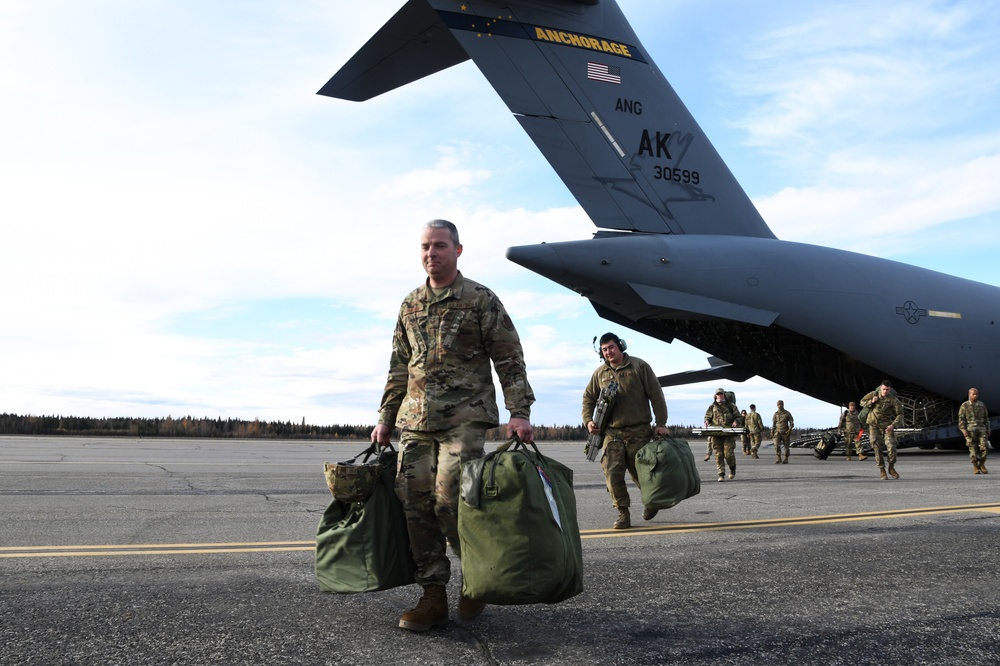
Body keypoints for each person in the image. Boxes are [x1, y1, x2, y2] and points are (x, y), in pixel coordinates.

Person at [371, 219, 535, 632]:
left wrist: (520, 412)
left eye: (440, 246)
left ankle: (478, 578)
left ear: (458, 250)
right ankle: (433, 596)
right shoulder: (410, 304)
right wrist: (386, 418)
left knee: (449, 501)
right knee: (414, 505)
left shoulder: (481, 300)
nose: (432, 253)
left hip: (464, 417)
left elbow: (509, 358)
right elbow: (398, 367)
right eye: (426, 247)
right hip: (416, 421)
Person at [582, 332, 669, 528]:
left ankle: (651, 501)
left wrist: (661, 423)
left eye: (611, 347)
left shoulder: (639, 367)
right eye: (604, 349)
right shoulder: (599, 374)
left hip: (639, 431)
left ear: (620, 346)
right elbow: (588, 398)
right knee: (612, 474)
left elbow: (656, 395)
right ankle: (623, 513)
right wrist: (588, 420)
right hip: (612, 433)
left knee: (642, 473)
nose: (608, 352)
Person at [860, 380, 903, 480]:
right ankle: (882, 470)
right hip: (874, 426)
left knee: (892, 447)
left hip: (887, 427)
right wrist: (871, 401)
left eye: (887, 390)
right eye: (883, 389)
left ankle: (891, 467)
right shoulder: (873, 394)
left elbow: (900, 414)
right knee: (877, 448)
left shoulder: (894, 400)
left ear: (890, 389)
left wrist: (893, 425)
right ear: (880, 387)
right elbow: (861, 402)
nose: (885, 391)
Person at [704, 388, 740, 482]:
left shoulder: (731, 406)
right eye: (718, 394)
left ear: (724, 395)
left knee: (728, 454)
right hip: (716, 434)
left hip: (728, 433)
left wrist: (736, 422)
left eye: (721, 394)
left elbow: (738, 417)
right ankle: (721, 474)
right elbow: (707, 416)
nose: (719, 396)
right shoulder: (712, 407)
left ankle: (732, 468)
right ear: (715, 396)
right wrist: (707, 421)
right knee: (718, 455)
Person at [958, 387, 990, 475]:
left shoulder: (981, 405)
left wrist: (988, 429)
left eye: (977, 394)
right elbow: (961, 419)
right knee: (973, 449)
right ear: (969, 395)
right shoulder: (964, 406)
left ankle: (982, 464)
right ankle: (975, 466)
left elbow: (986, 418)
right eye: (973, 394)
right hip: (970, 431)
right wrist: (963, 430)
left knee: (985, 448)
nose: (975, 396)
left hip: (981, 430)